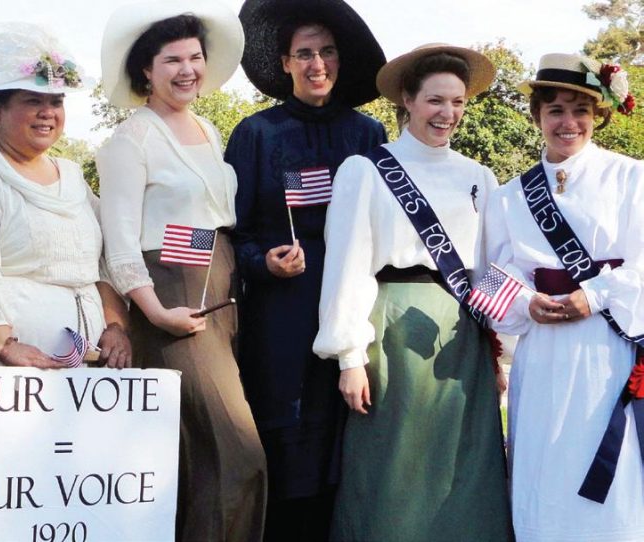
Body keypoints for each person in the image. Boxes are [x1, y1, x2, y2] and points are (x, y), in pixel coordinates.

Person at [313, 44, 512, 541]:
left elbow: (489, 266)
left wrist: (499, 349)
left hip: (462, 335)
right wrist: (349, 358)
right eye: (435, 101)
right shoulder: (366, 170)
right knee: (394, 464)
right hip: (392, 331)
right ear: (407, 100)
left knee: (463, 465)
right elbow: (348, 265)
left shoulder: (479, 177)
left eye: (458, 102)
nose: (448, 114)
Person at [96, 2, 266, 539]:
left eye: (195, 57)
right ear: (146, 69)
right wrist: (153, 310)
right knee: (234, 451)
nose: (187, 69)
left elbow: (206, 226)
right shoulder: (132, 139)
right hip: (171, 299)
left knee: (197, 458)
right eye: (172, 59)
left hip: (221, 293)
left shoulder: (209, 131)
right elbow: (120, 241)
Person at [226, 0, 387, 537]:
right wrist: (263, 261)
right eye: (305, 54)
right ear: (286, 63)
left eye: (327, 51)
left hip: (356, 306)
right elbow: (232, 231)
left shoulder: (369, 135)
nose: (318, 63)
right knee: (288, 441)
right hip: (283, 313)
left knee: (352, 436)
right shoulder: (256, 134)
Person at [485, 53, 644, 542]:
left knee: (610, 474)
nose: (567, 122)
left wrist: (594, 296)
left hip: (607, 350)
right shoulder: (509, 195)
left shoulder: (631, 177)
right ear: (537, 116)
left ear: (598, 115)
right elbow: (490, 275)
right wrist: (525, 302)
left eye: (579, 109)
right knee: (544, 465)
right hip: (543, 352)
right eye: (554, 109)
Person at [0, 23, 131, 369]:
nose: (48, 112)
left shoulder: (74, 179)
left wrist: (115, 326)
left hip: (83, 374)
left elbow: (104, 263)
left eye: (56, 101)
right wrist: (3, 345)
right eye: (33, 100)